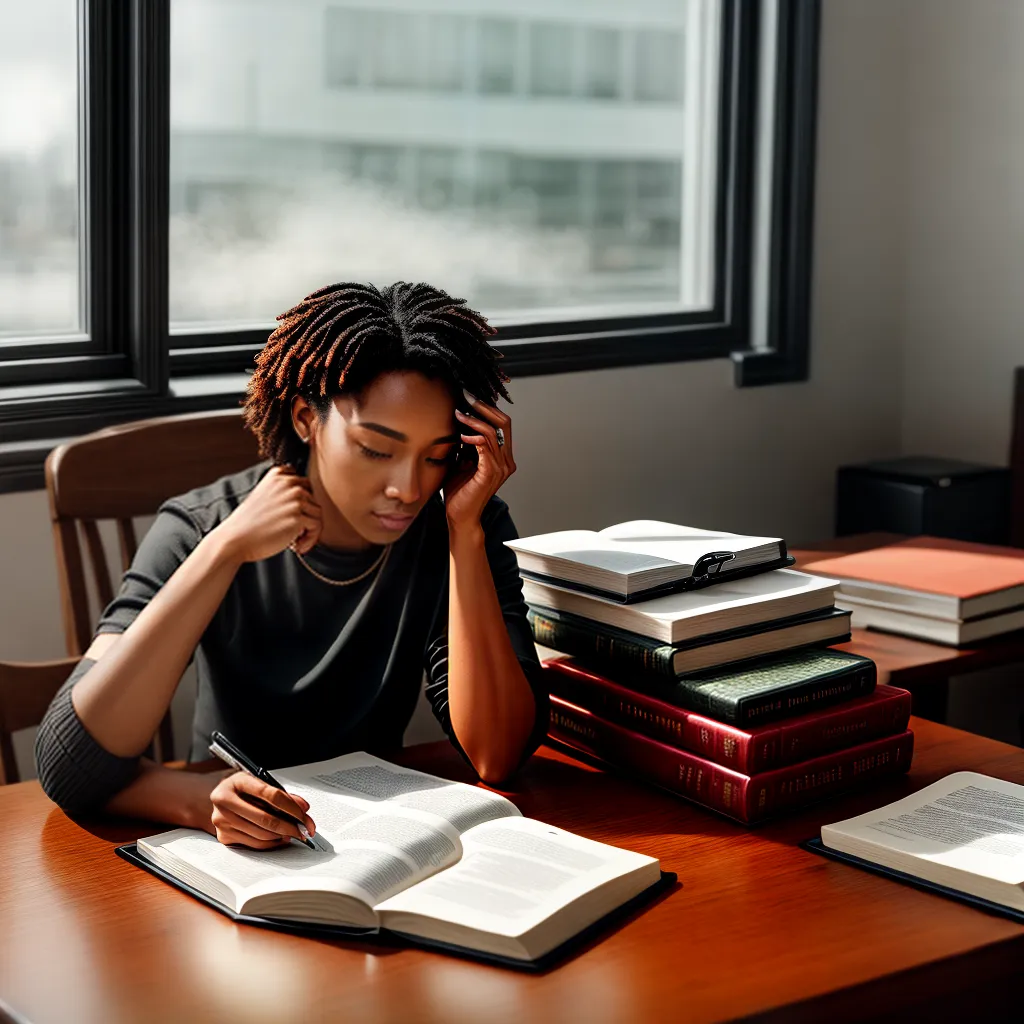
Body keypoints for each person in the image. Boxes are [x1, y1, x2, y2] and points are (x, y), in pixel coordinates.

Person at [35, 281, 548, 850]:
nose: (407, 488)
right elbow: (69, 763)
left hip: (374, 841)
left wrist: (466, 534)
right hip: (234, 853)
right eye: (377, 450)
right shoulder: (202, 527)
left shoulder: (461, 522)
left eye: (435, 455)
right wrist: (222, 552)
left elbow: (497, 756)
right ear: (306, 419)